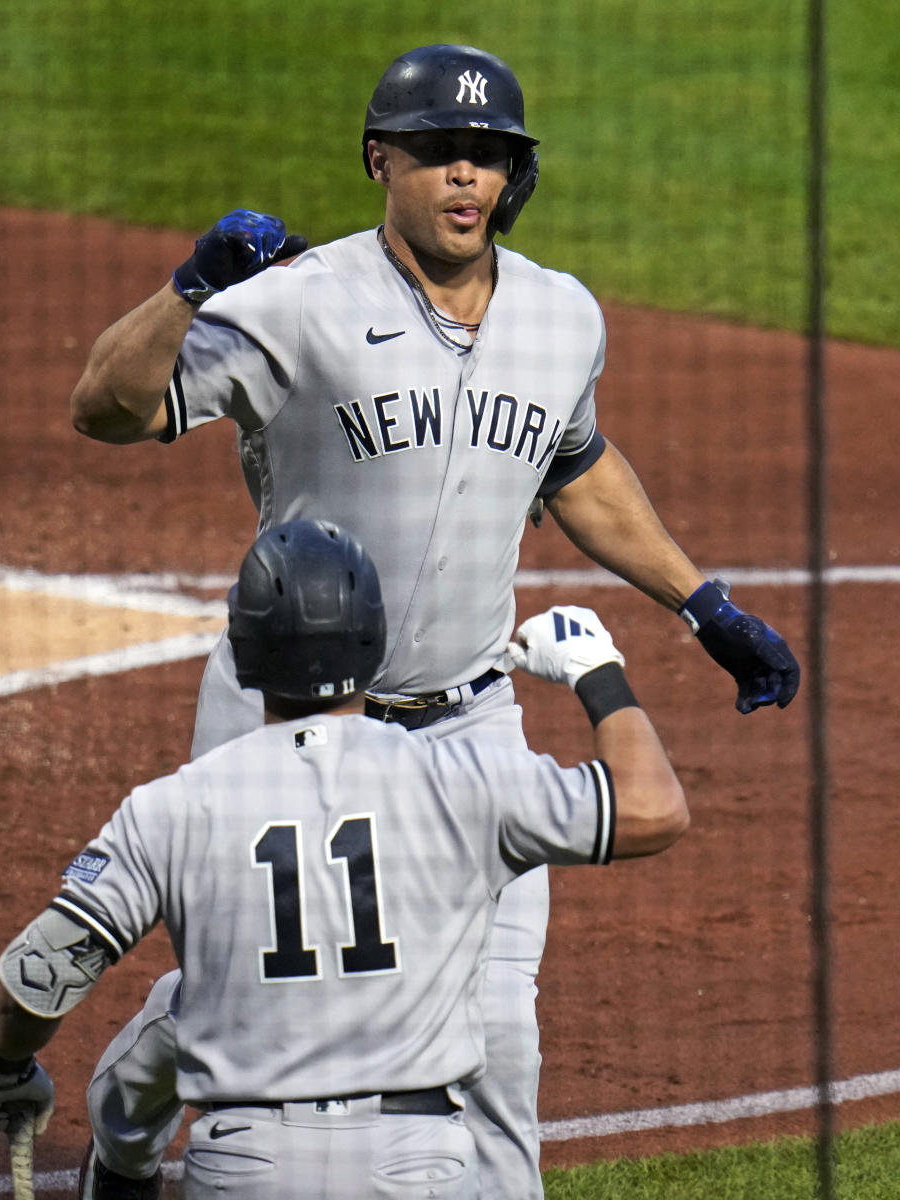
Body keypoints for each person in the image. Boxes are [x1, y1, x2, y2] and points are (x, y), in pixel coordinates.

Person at [67, 43, 798, 1199]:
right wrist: (187, 287)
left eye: (489, 157)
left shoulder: (563, 317)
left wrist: (701, 604)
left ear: (517, 175)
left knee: (500, 1038)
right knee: (238, 996)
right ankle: (121, 1131)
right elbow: (106, 408)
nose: (466, 176)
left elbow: (577, 467)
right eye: (437, 154)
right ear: (380, 162)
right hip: (285, 722)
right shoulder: (297, 304)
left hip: (470, 725)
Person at [0, 519, 689, 1200]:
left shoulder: (176, 805)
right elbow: (653, 810)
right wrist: (598, 672)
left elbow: (41, 971)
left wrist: (6, 1069)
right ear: (374, 643)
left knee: (164, 1028)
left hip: (245, 1165)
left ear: (243, 653)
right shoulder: (465, 780)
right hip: (418, 1166)